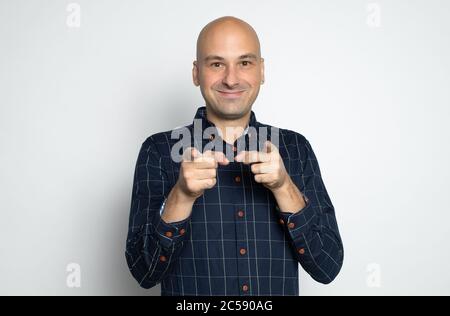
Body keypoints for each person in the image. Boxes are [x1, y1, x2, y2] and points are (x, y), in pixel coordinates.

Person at [125, 16, 344, 296]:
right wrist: (181, 196)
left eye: (245, 63)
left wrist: (283, 187)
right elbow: (143, 273)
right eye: (217, 64)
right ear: (196, 73)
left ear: (261, 70)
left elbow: (327, 268)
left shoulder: (295, 148)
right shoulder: (158, 150)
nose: (231, 79)